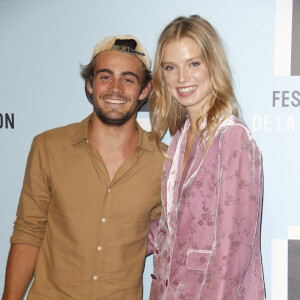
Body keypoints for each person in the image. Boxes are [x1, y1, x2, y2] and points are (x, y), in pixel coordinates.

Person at [2, 34, 165, 300]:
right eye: (105, 76)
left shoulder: (164, 163)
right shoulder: (49, 147)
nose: (115, 88)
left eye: (128, 79)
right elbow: (28, 231)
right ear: (90, 84)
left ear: (144, 90)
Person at [149, 15, 265, 299]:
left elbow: (231, 250)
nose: (182, 78)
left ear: (213, 64)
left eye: (194, 63)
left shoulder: (232, 137)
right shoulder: (178, 142)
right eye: (170, 67)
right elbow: (169, 227)